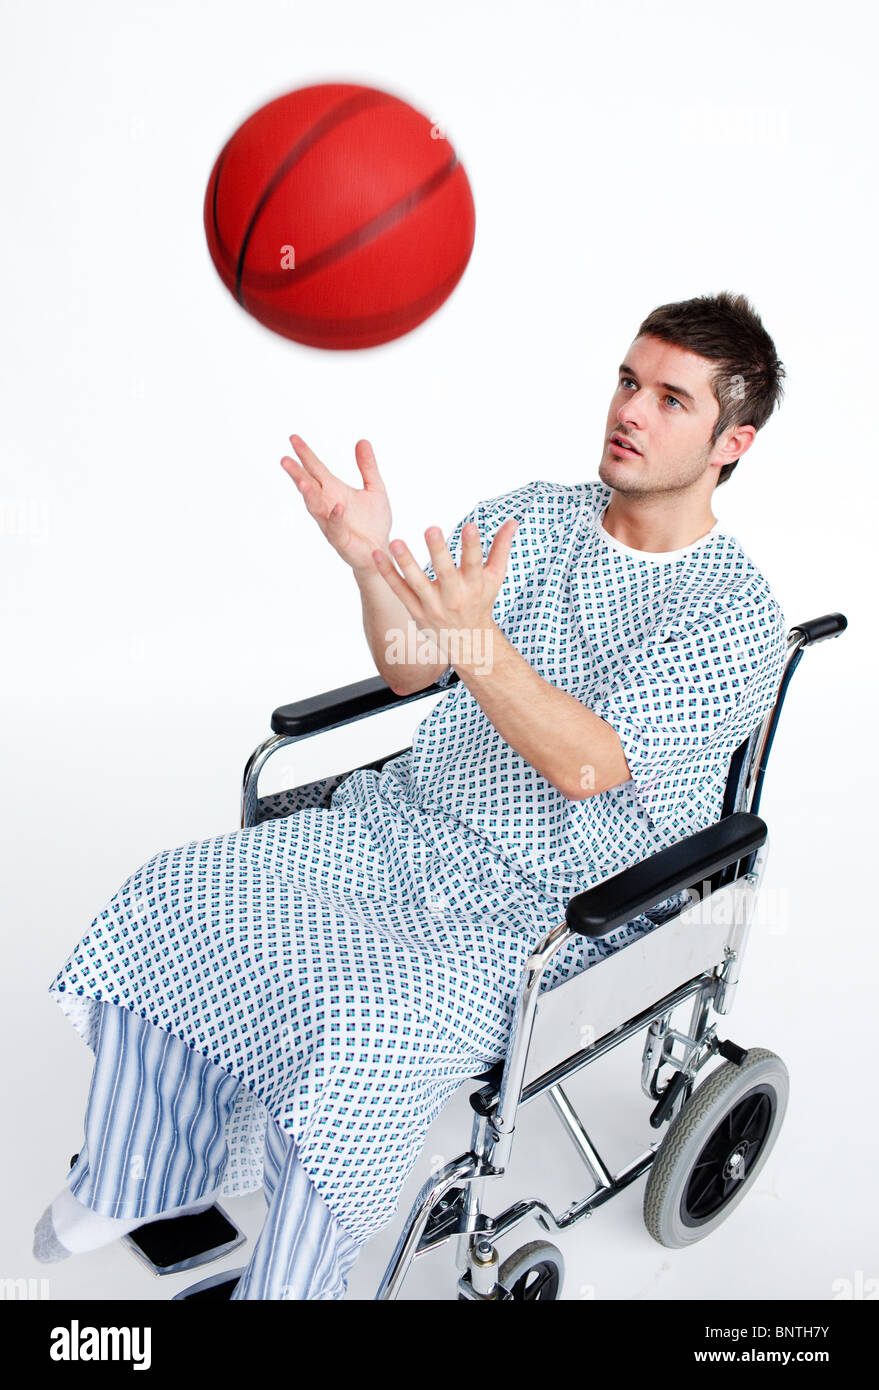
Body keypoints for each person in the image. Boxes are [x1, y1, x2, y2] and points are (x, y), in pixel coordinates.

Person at [35, 290, 789, 1299]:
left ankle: (292, 1282)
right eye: (626, 381)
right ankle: (139, 1174)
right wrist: (367, 562)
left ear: (732, 440)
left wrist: (477, 640)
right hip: (407, 825)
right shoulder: (531, 515)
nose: (631, 411)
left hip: (550, 905)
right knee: (177, 893)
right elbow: (407, 664)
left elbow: (584, 765)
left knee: (363, 1028)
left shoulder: (731, 611)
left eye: (670, 399)